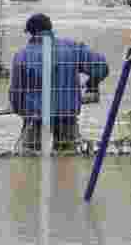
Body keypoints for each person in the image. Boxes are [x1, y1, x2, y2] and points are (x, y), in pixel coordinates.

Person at [9, 13, 109, 151]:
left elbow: (16, 93)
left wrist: (21, 111)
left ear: (31, 33)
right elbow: (101, 67)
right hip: (67, 117)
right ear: (50, 29)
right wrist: (92, 85)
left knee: (31, 159)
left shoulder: (21, 56)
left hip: (36, 119)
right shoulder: (73, 48)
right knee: (68, 161)